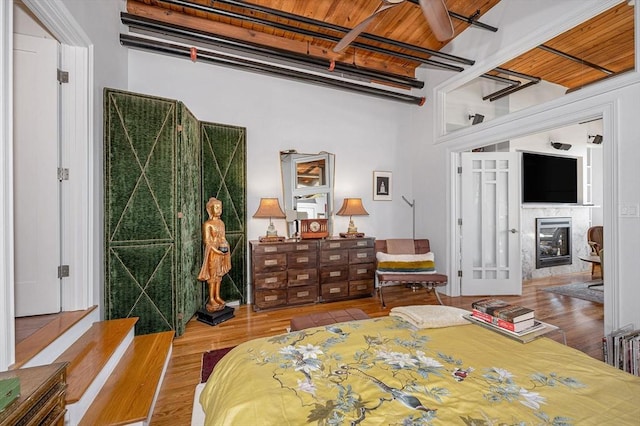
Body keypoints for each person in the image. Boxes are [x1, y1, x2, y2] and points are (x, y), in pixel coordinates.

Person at [197, 197, 231, 312]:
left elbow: (223, 237)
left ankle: (217, 296)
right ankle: (211, 298)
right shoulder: (208, 224)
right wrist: (217, 251)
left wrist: (225, 245)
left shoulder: (221, 223)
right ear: (210, 209)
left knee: (219, 276)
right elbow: (207, 241)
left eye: (220, 207)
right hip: (212, 253)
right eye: (216, 207)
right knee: (212, 276)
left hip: (221, 251)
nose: (219, 210)